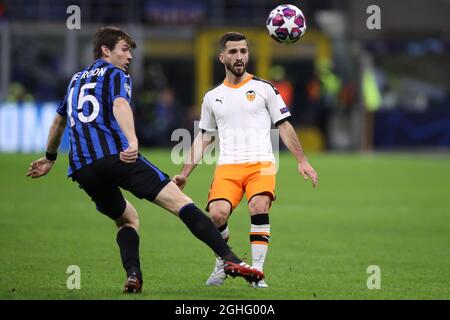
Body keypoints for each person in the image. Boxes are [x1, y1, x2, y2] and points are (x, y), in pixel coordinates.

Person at [26, 27, 263, 293]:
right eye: (124, 49)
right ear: (106, 50)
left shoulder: (75, 80)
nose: (129, 57)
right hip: (117, 157)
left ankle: (133, 275)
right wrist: (133, 140)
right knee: (181, 202)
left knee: (127, 219)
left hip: (82, 167)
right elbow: (120, 105)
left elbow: (58, 121)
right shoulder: (116, 74)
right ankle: (230, 259)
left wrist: (49, 158)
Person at [173, 32, 318, 288]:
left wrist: (302, 160)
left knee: (259, 206)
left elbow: (284, 125)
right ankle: (223, 261)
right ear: (222, 57)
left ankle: (256, 274)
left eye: (243, 51)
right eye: (233, 52)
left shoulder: (265, 89)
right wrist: (185, 173)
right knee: (217, 215)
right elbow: (204, 138)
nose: (239, 56)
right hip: (228, 166)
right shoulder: (212, 97)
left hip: (260, 163)